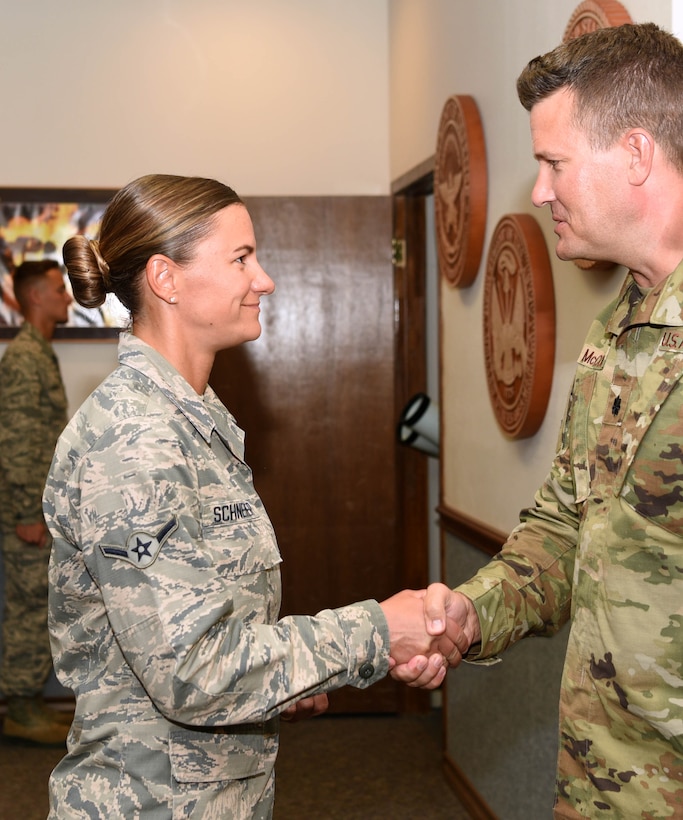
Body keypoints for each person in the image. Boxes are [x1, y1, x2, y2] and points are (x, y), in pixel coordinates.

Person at [43, 173, 460, 819]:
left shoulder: (192, 420)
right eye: (240, 258)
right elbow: (191, 672)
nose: (262, 279)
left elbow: (210, 631)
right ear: (166, 278)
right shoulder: (135, 440)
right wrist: (378, 630)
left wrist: (289, 680)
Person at [401, 21, 683, 818]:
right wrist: (468, 612)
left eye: (554, 162)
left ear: (635, 153)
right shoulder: (616, 327)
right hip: (601, 782)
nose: (539, 190)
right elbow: (566, 523)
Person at [0, 259, 72, 745]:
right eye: (59, 289)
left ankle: (30, 703)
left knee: (36, 607)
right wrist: (29, 513)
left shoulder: (38, 352)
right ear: (34, 298)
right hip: (24, 514)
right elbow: (17, 441)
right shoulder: (24, 357)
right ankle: (20, 708)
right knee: (28, 610)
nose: (68, 297)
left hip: (38, 508)